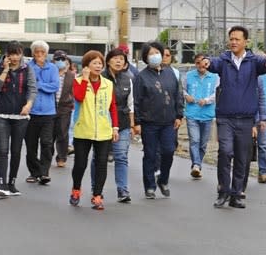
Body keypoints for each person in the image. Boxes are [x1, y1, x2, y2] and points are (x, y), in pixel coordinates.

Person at [204, 26, 266, 209]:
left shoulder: (253, 61)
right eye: (231, 39)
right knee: (225, 152)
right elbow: (213, 63)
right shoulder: (224, 60)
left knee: (242, 158)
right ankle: (223, 191)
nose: (233, 42)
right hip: (225, 118)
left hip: (246, 119)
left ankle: (237, 194)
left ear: (246, 41)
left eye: (237, 39)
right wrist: (206, 61)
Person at [69, 51, 119, 211]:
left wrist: (115, 127)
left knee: (101, 164)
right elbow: (79, 97)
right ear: (86, 66)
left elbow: (112, 107)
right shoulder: (77, 81)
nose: (98, 66)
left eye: (100, 63)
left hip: (103, 131)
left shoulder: (108, 84)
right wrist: (84, 79)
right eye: (94, 63)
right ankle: (76, 190)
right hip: (83, 130)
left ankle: (97, 195)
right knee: (80, 164)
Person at [133, 41, 183, 199]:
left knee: (168, 151)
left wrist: (179, 115)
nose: (155, 56)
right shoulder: (142, 77)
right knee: (150, 154)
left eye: (157, 52)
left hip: (168, 121)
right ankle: (149, 186)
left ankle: (163, 179)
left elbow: (177, 95)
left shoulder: (170, 74)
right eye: (151, 54)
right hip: (149, 123)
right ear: (146, 58)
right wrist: (137, 122)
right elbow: (137, 100)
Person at [0, 41, 37, 197]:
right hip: (1, 115)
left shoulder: (27, 68)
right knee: (3, 150)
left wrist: (29, 104)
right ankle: (2, 184)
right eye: (12, 54)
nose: (15, 57)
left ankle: (12, 184)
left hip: (20, 116)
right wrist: (5, 70)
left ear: (22, 53)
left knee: (16, 151)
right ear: (7, 54)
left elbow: (32, 88)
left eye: (18, 54)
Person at [92, 48, 135, 203]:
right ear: (108, 60)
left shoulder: (128, 79)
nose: (119, 61)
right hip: (102, 123)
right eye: (115, 58)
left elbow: (131, 104)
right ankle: (96, 189)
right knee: (99, 158)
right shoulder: (99, 77)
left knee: (121, 156)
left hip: (122, 123)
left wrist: (132, 124)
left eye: (122, 59)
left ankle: (122, 190)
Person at [25, 41, 59, 185]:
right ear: (33, 53)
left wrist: (38, 85)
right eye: (37, 52)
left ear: (46, 54)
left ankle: (44, 172)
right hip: (30, 111)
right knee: (30, 144)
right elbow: (26, 85)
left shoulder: (52, 68)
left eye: (42, 52)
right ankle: (34, 172)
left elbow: (55, 86)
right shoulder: (27, 67)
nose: (39, 55)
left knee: (47, 142)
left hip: (48, 111)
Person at [183, 53, 218, 179]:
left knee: (203, 144)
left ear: (207, 63)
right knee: (195, 140)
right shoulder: (188, 76)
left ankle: (197, 163)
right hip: (192, 113)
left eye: (203, 63)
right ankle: (196, 165)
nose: (200, 66)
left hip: (207, 114)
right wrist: (186, 95)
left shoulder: (215, 77)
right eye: (197, 63)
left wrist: (207, 100)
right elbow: (182, 89)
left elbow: (217, 93)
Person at [52, 50, 75, 168]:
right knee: (49, 135)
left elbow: (75, 92)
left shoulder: (71, 75)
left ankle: (61, 157)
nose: (60, 62)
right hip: (50, 107)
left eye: (62, 59)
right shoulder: (50, 72)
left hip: (65, 107)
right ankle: (47, 155)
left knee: (62, 133)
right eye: (58, 59)